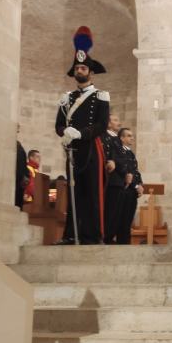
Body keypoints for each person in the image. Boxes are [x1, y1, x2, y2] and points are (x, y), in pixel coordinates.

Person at [55, 26, 110, 244]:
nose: (80, 70)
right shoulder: (66, 98)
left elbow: (102, 125)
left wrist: (81, 133)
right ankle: (71, 234)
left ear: (91, 72)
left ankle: (93, 235)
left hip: (91, 148)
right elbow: (59, 124)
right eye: (77, 67)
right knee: (73, 193)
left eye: (83, 68)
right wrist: (65, 133)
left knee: (92, 192)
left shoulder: (101, 96)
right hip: (73, 151)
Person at [109, 127, 143, 245]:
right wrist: (135, 185)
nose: (132, 138)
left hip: (131, 192)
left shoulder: (130, 153)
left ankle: (124, 245)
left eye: (132, 135)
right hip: (123, 189)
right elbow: (125, 170)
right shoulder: (118, 151)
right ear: (121, 138)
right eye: (128, 135)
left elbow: (135, 171)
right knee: (117, 219)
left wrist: (139, 184)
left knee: (127, 221)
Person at [102, 114, 125, 243]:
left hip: (119, 180)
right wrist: (112, 161)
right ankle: (106, 236)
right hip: (110, 179)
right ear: (108, 123)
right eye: (115, 120)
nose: (119, 123)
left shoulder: (116, 139)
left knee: (116, 213)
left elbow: (123, 158)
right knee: (109, 211)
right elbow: (108, 155)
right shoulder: (104, 137)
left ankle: (110, 236)